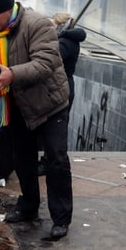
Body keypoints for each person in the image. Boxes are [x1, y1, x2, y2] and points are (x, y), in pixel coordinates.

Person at [0, 0, 73, 239]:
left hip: (50, 104)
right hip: (18, 104)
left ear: (6, 9)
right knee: (23, 159)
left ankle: (61, 218)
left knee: (56, 161)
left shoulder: (38, 24)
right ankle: (29, 206)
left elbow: (45, 64)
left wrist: (12, 74)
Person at [37, 12, 87, 176]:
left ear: (61, 26)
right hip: (63, 86)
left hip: (62, 88)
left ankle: (50, 163)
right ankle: (50, 161)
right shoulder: (67, 40)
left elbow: (51, 60)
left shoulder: (66, 42)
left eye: (52, 25)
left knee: (56, 129)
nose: (50, 29)